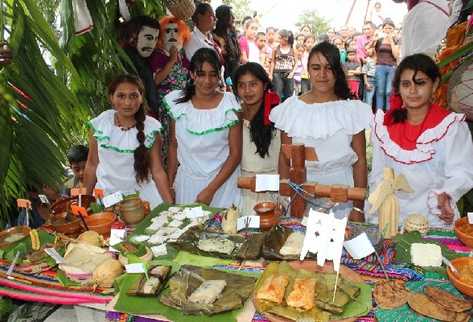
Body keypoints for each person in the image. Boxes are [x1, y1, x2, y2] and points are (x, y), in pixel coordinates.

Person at [270, 42, 371, 221]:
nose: (322, 74)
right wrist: (285, 199)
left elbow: (360, 161)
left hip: (344, 194)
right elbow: (285, 158)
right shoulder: (292, 109)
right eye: (316, 68)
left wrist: (358, 207)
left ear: (337, 71)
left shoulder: (352, 110)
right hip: (301, 194)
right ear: (308, 69)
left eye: (328, 68)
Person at [369, 54, 473, 228]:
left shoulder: (450, 126)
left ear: (435, 85)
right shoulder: (384, 126)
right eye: (406, 84)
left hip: (434, 217)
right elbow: (378, 175)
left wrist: (445, 195)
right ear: (398, 88)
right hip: (390, 216)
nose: (412, 91)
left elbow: (463, 172)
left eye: (420, 83)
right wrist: (375, 209)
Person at [164, 48, 241, 207]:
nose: (207, 81)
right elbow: (173, 144)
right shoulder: (178, 104)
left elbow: (235, 155)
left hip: (223, 186)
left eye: (213, 74)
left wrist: (211, 190)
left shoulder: (230, 104)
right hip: (187, 184)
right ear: (192, 74)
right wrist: (169, 184)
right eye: (201, 74)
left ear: (219, 75)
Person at [84, 74, 173, 209]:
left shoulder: (151, 128)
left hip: (144, 201)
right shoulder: (100, 125)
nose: (127, 102)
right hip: (108, 200)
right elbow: (91, 165)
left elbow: (157, 170)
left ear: (141, 97)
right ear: (111, 98)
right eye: (121, 96)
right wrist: (83, 202)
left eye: (133, 96)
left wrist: (170, 205)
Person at [233, 63, 281, 215]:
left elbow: (285, 161)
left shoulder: (278, 116)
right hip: (242, 189)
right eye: (242, 85)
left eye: (253, 84)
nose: (247, 91)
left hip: (271, 189)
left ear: (264, 84)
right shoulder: (235, 116)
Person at [148, 16, 191, 164]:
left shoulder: (184, 58)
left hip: (183, 107)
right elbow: (155, 81)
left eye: (176, 31)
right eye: (168, 31)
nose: (172, 35)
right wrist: (171, 60)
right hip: (164, 108)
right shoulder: (157, 56)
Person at [119, 16, 160, 115]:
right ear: (134, 35)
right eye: (148, 38)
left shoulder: (142, 58)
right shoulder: (127, 59)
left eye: (155, 39)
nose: (152, 44)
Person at [375, 18, 399, 110]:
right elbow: (374, 52)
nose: (388, 30)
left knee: (389, 91)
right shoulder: (379, 40)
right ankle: (379, 113)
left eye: (390, 28)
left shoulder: (396, 40)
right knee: (380, 91)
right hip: (380, 67)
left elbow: (396, 55)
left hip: (391, 67)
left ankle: (388, 113)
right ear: (383, 29)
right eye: (386, 28)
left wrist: (391, 40)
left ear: (393, 29)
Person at [214, 5, 241, 81]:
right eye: (231, 15)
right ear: (224, 17)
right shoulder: (216, 36)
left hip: (236, 74)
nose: (233, 18)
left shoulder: (232, 33)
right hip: (226, 77)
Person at [269, 29, 295, 102]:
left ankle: (288, 111)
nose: (278, 39)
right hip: (277, 73)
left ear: (285, 38)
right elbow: (273, 62)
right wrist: (271, 74)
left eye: (280, 38)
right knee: (277, 94)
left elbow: (296, 62)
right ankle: (278, 111)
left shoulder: (292, 49)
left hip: (288, 73)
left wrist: (292, 72)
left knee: (289, 95)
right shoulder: (275, 49)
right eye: (278, 38)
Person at [362, 41, 377, 108]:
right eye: (365, 50)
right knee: (368, 100)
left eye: (369, 49)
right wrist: (366, 83)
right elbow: (364, 72)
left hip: (379, 80)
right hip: (370, 80)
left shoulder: (380, 59)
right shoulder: (367, 60)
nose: (367, 51)